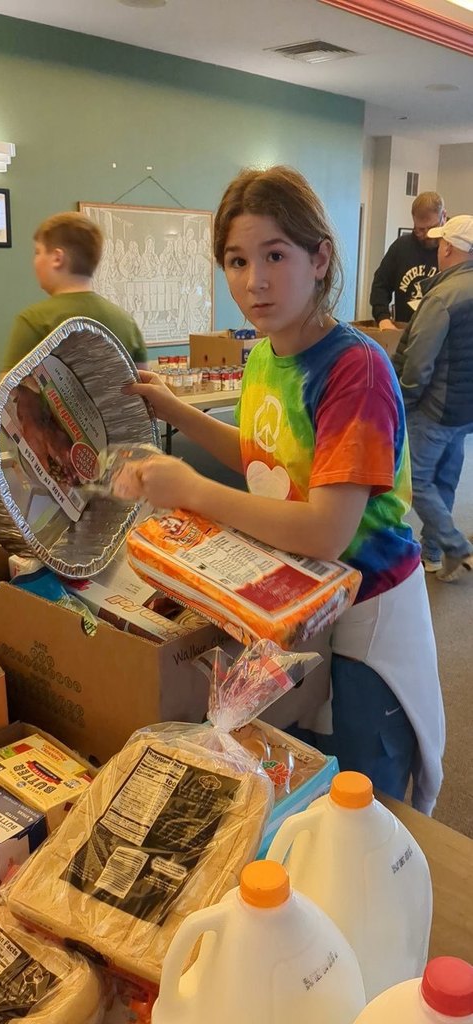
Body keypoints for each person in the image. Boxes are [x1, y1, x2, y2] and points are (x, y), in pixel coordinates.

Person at [126, 166, 444, 814]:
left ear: (318, 257)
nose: (254, 281)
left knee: (365, 791)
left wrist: (191, 488)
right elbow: (260, 456)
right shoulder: (268, 353)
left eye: (274, 255)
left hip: (366, 605)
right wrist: (177, 414)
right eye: (237, 261)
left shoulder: (354, 368)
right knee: (299, 771)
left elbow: (327, 526)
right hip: (298, 595)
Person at [393, 214, 473, 581]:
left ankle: (454, 545)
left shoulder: (443, 296)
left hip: (435, 408)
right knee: (446, 477)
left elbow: (419, 362)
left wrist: (403, 402)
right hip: (465, 410)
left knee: (416, 480)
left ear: (448, 248)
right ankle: (433, 554)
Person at [0, 212, 148, 374]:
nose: (34, 261)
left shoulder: (34, 321)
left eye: (38, 252)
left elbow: (5, 397)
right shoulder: (127, 323)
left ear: (57, 258)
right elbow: (143, 392)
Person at [370, 192, 446, 329]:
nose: (426, 235)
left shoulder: (453, 250)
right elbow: (380, 286)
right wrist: (383, 319)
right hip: (405, 330)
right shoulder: (401, 247)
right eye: (420, 229)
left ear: (443, 217)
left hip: (441, 333)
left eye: (432, 228)